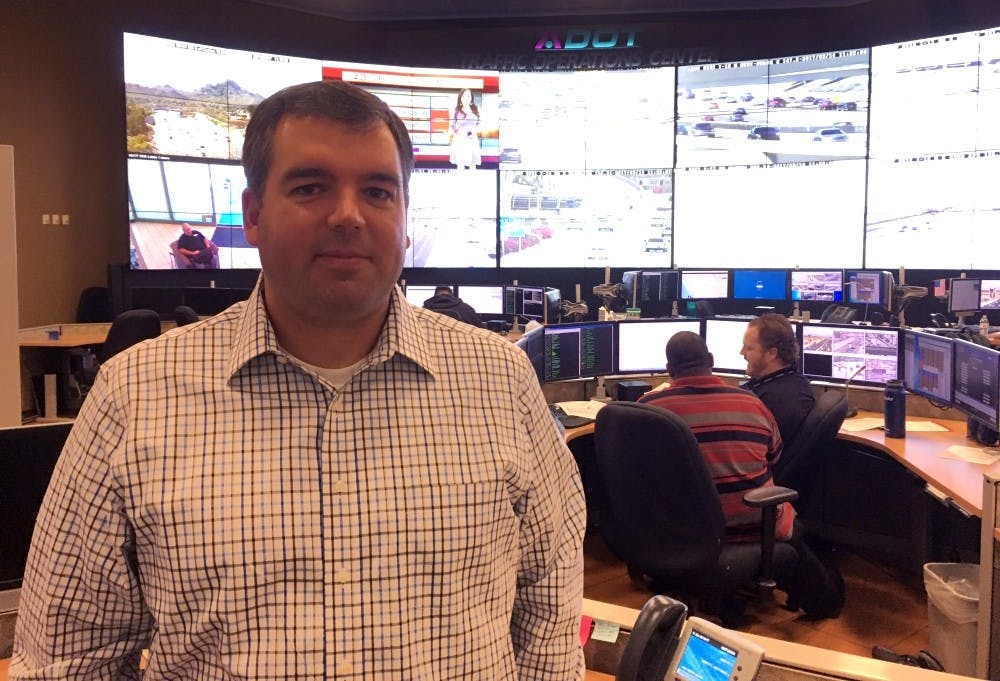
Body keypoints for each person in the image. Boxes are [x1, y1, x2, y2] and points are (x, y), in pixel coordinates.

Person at [11, 80, 586, 680]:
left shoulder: (501, 379)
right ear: (254, 215)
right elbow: (68, 656)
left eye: (378, 191)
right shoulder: (135, 393)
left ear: (405, 216)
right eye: (311, 187)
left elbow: (549, 607)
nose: (347, 215)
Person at [638, 331, 844, 619]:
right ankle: (824, 598)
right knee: (781, 519)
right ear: (711, 361)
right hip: (749, 524)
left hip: (678, 530)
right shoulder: (752, 403)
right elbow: (774, 456)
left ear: (669, 370)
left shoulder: (649, 409)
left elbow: (642, 473)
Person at [741, 313, 815, 447]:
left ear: (771, 354)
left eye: (749, 348)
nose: (741, 353)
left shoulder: (770, 401)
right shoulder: (796, 383)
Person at [449, 88, 481, 170]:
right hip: (461, 140)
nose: (466, 98)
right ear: (460, 98)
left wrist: (474, 131)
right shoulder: (456, 110)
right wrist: (459, 133)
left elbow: (479, 124)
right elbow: (452, 126)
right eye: (464, 96)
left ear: (471, 98)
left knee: (473, 165)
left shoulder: (476, 110)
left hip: (472, 140)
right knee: (460, 165)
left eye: (468, 96)